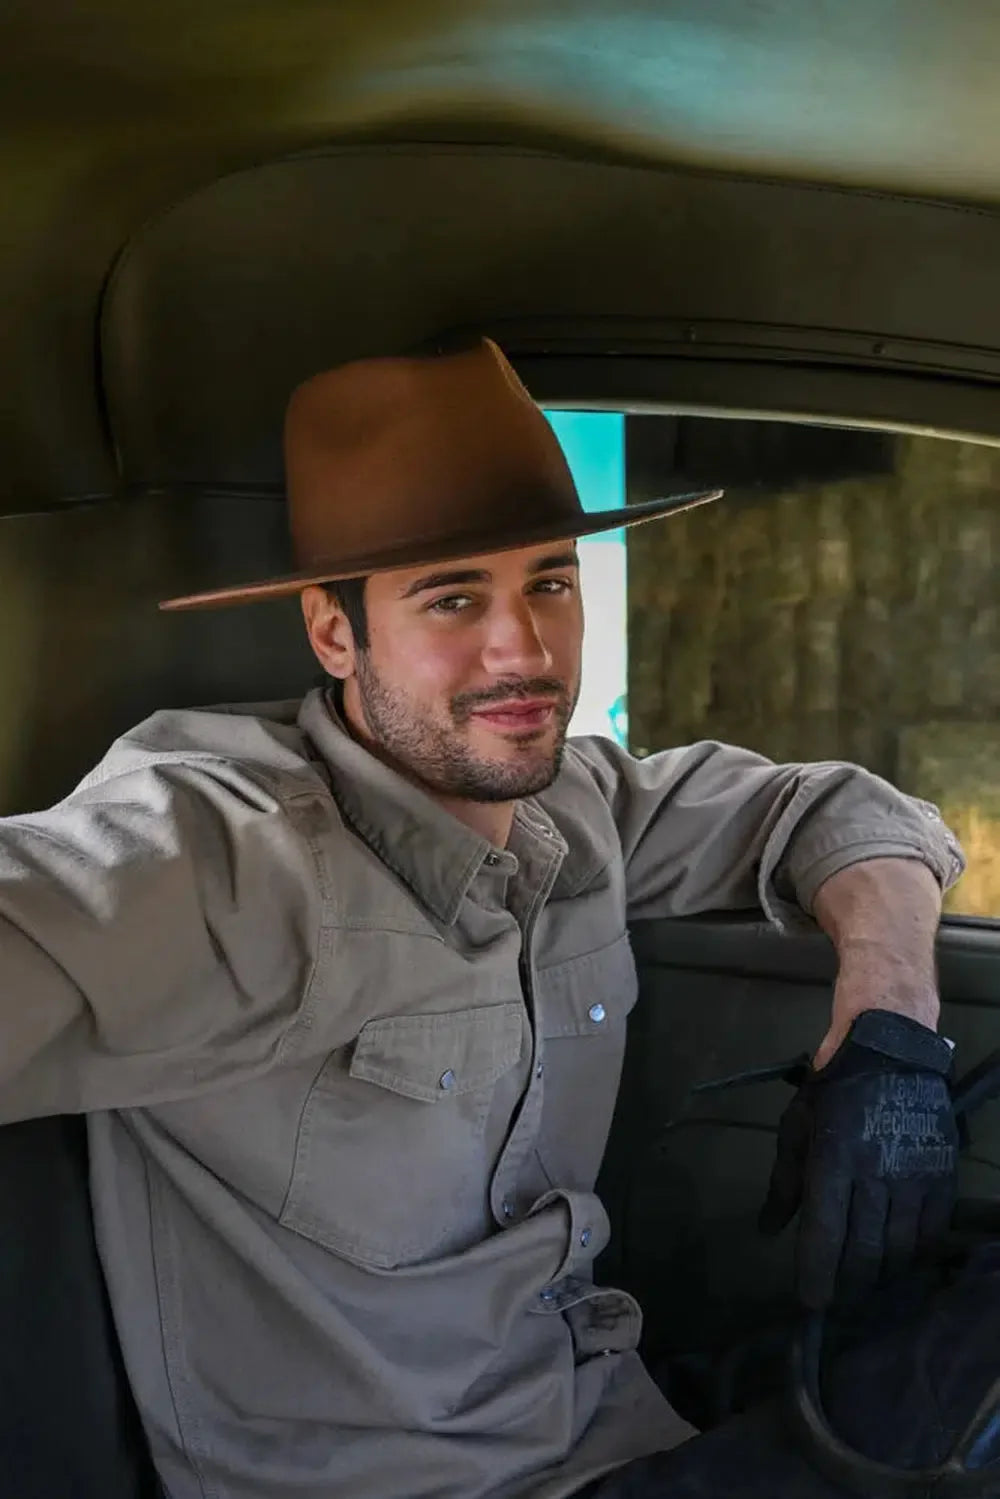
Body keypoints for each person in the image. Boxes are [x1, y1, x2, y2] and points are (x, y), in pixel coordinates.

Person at [0, 339, 964, 1499]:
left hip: (610, 1417)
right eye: (454, 596)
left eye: (548, 582)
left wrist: (890, 1027)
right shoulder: (220, 851)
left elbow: (843, 810)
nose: (525, 651)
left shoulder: (573, 798)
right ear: (333, 632)